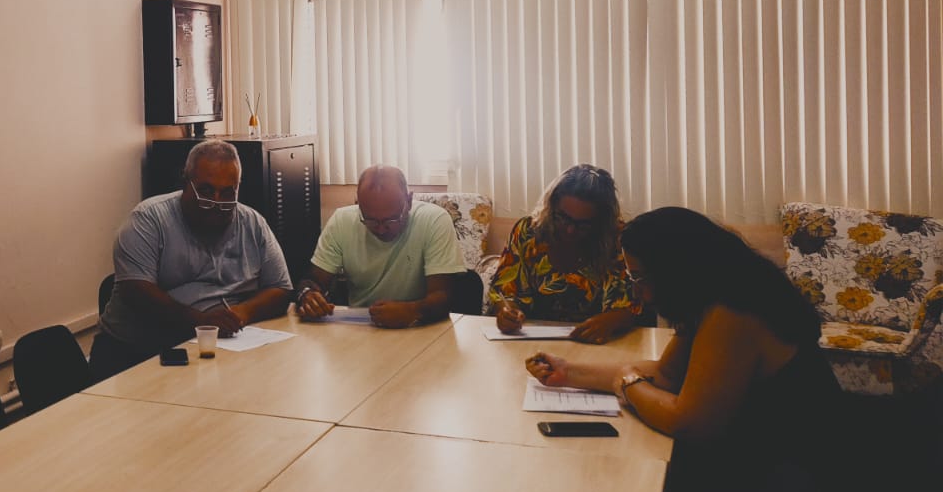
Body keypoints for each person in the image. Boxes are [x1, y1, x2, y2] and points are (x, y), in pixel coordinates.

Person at [524, 207, 846, 492]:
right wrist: (570, 373)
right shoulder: (714, 294)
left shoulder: (732, 311)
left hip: (792, 483)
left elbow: (689, 421)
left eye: (640, 278)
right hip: (754, 459)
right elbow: (666, 375)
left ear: (674, 269)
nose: (639, 293)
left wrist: (627, 383)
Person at [90, 139, 292, 380]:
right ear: (186, 183)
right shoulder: (148, 220)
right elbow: (135, 291)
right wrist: (201, 321)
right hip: (135, 352)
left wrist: (240, 314)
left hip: (216, 350)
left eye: (227, 193)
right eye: (206, 191)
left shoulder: (252, 223)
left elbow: (280, 289)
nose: (216, 202)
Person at [487, 164, 644, 343]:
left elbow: (631, 305)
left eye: (583, 225)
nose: (570, 230)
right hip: (531, 341)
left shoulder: (617, 241)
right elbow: (505, 291)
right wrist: (506, 312)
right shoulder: (528, 232)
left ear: (601, 222)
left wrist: (611, 321)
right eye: (563, 218)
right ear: (551, 207)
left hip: (598, 344)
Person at [295, 165, 466, 328]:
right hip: (362, 328)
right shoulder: (341, 221)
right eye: (370, 220)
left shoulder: (434, 221)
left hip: (420, 326)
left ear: (409, 201)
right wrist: (307, 295)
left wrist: (412, 311)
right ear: (357, 204)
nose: (381, 229)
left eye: (391, 220)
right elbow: (314, 280)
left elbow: (443, 296)